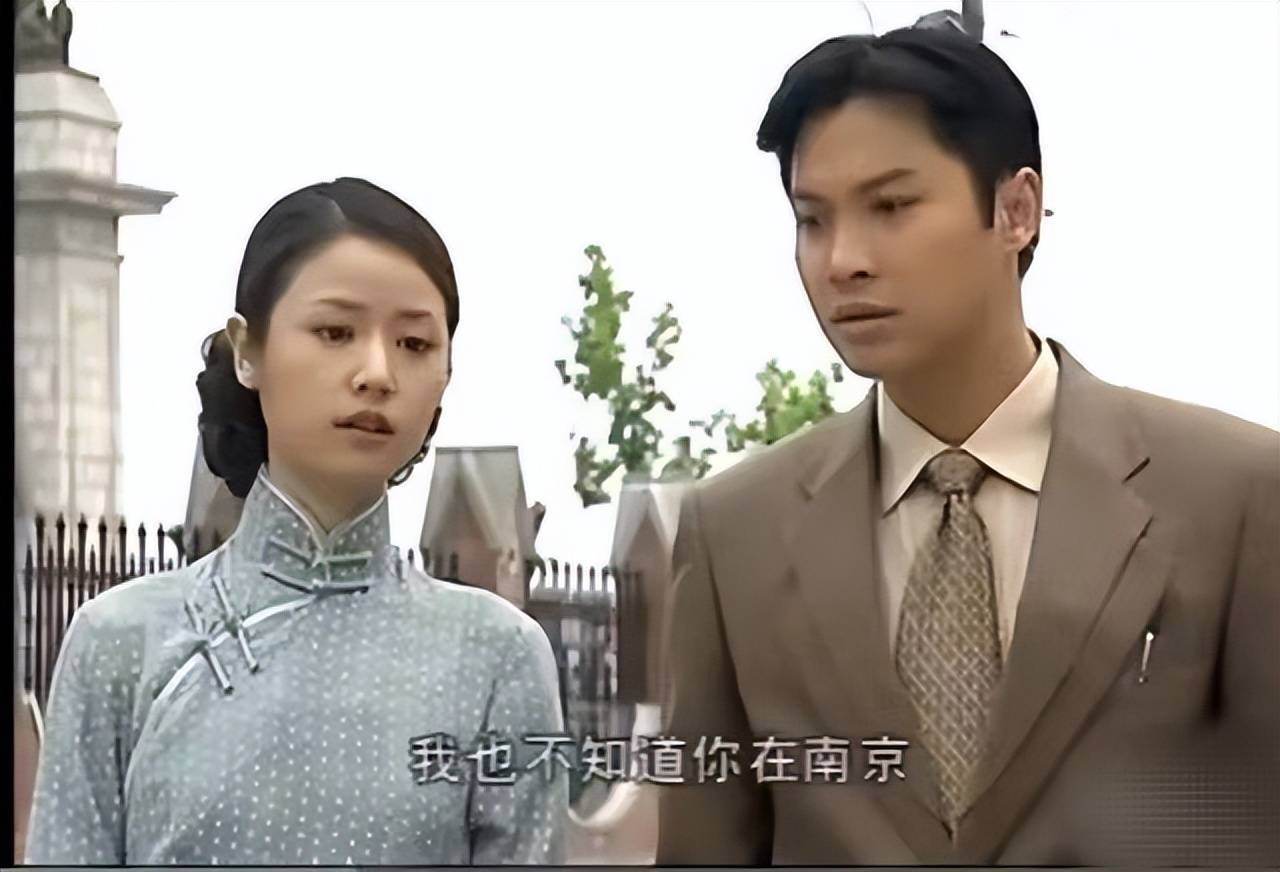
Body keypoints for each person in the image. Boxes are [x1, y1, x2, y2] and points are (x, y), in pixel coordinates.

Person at [656, 27, 1279, 865]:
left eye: (891, 207)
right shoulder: (735, 533)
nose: (843, 261)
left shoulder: (1235, 496)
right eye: (812, 220)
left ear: (1016, 210)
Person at [24, 177, 569, 865]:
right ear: (247, 350)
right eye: (336, 332)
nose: (377, 373)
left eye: (414, 343)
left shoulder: (497, 656)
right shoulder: (120, 642)